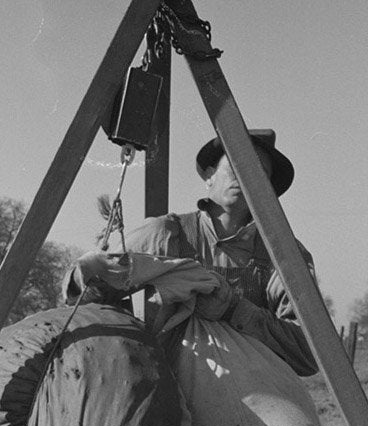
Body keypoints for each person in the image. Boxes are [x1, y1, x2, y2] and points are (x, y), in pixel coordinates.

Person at [65, 129, 319, 376]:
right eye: (235, 165)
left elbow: (310, 355)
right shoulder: (164, 234)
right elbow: (84, 296)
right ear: (209, 176)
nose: (243, 176)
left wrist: (234, 310)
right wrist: (90, 275)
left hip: (250, 398)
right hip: (164, 390)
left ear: (268, 190)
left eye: (257, 172)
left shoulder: (284, 256)